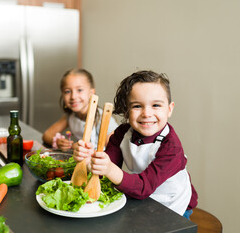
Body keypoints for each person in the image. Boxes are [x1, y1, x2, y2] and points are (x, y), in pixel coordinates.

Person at [73, 70, 198, 219]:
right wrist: (89, 160)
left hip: (173, 207)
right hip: (143, 200)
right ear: (127, 111)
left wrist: (109, 168)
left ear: (169, 109)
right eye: (137, 106)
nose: (146, 113)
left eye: (156, 105)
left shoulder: (171, 149)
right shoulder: (122, 134)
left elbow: (144, 186)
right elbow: (105, 170)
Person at [42, 68, 118, 152]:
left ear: (91, 93)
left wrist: (81, 148)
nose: (73, 96)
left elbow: (115, 148)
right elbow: (46, 135)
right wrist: (58, 142)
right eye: (67, 91)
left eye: (80, 90)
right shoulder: (70, 116)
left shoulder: (103, 119)